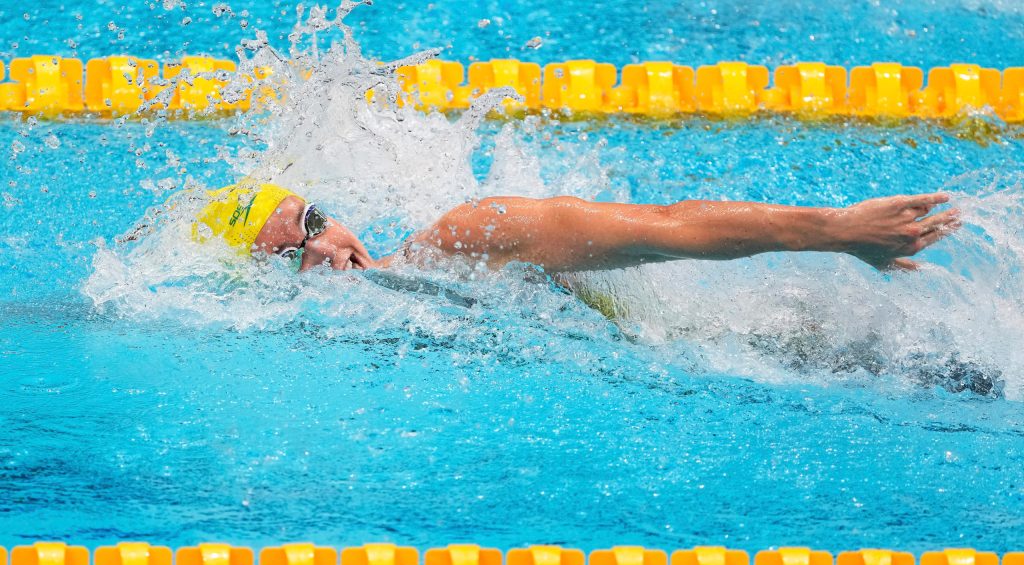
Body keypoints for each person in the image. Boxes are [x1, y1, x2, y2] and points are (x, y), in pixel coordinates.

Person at [192, 181, 961, 274]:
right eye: (290, 255)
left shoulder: (463, 236)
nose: (323, 247)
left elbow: (661, 226)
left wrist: (832, 230)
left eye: (314, 220)